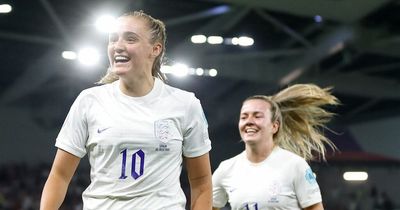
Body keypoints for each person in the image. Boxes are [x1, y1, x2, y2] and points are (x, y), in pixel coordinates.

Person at [40, 10, 212, 210]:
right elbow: (59, 176)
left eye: (130, 39)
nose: (118, 46)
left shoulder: (185, 104)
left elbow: (201, 182)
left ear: (155, 49)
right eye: (113, 40)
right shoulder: (89, 101)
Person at [212, 84, 340, 210]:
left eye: (257, 116)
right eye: (244, 117)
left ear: (274, 126)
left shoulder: (295, 165)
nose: (249, 121)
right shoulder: (226, 169)